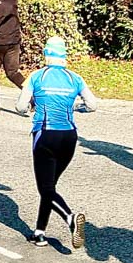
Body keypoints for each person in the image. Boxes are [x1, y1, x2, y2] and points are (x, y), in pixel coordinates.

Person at [14, 37, 100, 249]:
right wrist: (75, 108)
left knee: (46, 188)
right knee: (49, 187)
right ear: (65, 56)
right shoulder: (75, 78)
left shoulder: (36, 76)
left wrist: (31, 109)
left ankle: (70, 219)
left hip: (46, 134)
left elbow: (20, 106)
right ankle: (39, 232)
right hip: (69, 137)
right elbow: (93, 105)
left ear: (45, 54)